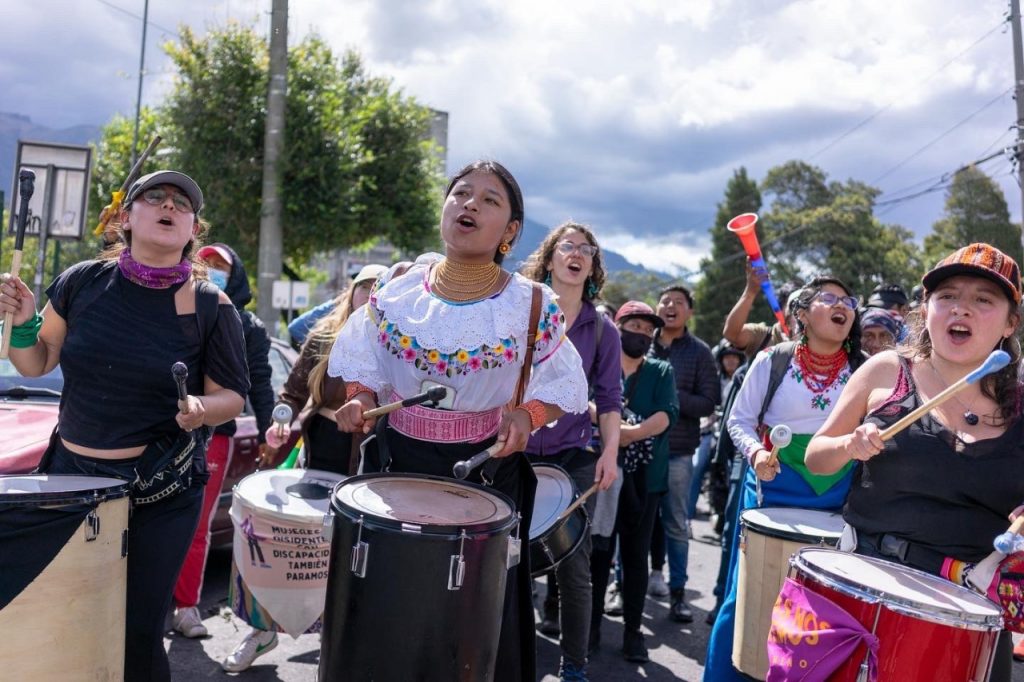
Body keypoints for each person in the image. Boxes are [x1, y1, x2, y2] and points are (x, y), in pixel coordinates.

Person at [330, 160, 589, 681]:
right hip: (398, 463)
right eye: (461, 194)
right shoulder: (398, 291)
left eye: (489, 200)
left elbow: (566, 387)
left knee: (477, 621)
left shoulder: (531, 304)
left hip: (488, 469)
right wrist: (358, 400)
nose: (469, 204)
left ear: (511, 232)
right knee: (393, 609)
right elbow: (363, 363)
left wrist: (527, 413)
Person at [0, 170, 249, 682]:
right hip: (71, 484)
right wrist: (22, 320)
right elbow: (35, 362)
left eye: (182, 204)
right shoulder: (82, 281)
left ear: (192, 229)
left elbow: (232, 397)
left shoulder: (209, 305)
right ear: (126, 218)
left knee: (136, 637)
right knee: (62, 621)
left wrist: (201, 409)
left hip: (159, 493)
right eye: (154, 197)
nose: (168, 205)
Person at [806, 243, 1024, 682]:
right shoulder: (887, 371)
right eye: (948, 296)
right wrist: (850, 444)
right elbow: (816, 459)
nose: (961, 309)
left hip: (969, 608)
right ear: (926, 309)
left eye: (983, 299)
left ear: (1010, 323)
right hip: (866, 586)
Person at [704, 275, 865, 681]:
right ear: (802, 314)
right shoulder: (774, 359)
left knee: (818, 608)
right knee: (750, 597)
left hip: (837, 495)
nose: (841, 305)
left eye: (848, 300)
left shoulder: (865, 370)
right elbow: (739, 421)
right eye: (828, 298)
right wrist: (757, 453)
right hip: (771, 485)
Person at [520, 221, 621, 681]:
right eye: (568, 246)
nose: (577, 253)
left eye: (586, 249)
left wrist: (610, 454)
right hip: (516, 452)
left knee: (573, 566)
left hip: (574, 457)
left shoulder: (603, 330)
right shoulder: (520, 310)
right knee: (506, 558)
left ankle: (574, 667)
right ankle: (507, 652)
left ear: (592, 265)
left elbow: (611, 399)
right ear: (551, 257)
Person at [171, 242, 275, 644]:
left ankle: (186, 606)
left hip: (214, 437)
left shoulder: (248, 327)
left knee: (196, 524)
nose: (210, 270)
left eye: (220, 267)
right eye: (205, 263)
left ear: (236, 277)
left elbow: (261, 385)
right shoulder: (170, 308)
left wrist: (271, 429)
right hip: (162, 432)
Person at [589, 301, 678, 664]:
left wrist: (628, 433)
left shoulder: (660, 371)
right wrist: (611, 428)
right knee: (597, 555)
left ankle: (632, 632)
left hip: (646, 479)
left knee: (635, 557)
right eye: (634, 326)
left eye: (646, 330)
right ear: (617, 325)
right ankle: (590, 629)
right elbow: (584, 402)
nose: (640, 334)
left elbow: (667, 414)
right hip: (601, 476)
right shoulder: (599, 363)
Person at [647, 285, 720, 623]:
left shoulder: (701, 352)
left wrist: (670, 396)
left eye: (678, 303)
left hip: (678, 452)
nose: (670, 306)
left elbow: (709, 401)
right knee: (633, 522)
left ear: (690, 311)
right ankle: (623, 586)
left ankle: (679, 594)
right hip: (638, 450)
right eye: (665, 301)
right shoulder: (641, 342)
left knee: (676, 524)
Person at [722, 260, 800, 362]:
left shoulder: (820, 338)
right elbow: (731, 334)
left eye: (804, 304)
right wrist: (750, 291)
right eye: (792, 305)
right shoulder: (763, 336)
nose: (799, 311)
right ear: (781, 309)